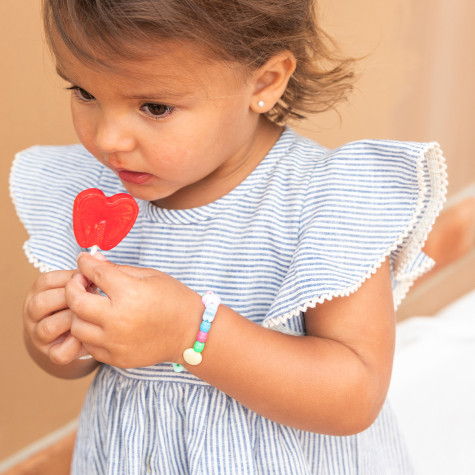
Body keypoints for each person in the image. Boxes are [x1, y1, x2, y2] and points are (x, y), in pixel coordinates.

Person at [10, 0, 447, 473]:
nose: (110, 139)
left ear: (264, 82)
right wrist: (58, 335)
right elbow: (81, 362)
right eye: (84, 92)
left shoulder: (322, 200)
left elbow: (354, 395)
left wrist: (189, 332)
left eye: (154, 107)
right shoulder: (96, 194)